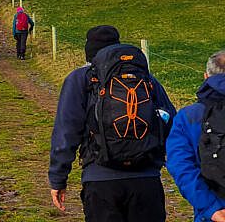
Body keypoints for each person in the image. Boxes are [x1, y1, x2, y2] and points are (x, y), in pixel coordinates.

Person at [49, 26, 176, 222]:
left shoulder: (79, 79)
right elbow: (170, 122)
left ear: (89, 51)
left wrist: (58, 178)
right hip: (146, 179)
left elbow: (66, 132)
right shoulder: (146, 80)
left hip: (100, 181)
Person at [166, 50, 225, 222]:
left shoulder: (189, 116)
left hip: (213, 213)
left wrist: (210, 208)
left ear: (206, 76)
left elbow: (181, 165)